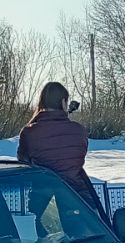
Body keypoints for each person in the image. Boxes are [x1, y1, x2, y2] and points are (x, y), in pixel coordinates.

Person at [16, 81, 107, 218]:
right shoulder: (78, 131)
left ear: (42, 102)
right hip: (79, 199)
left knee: (47, 238)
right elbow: (78, 156)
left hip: (44, 202)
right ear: (64, 102)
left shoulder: (29, 132)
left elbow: (23, 160)